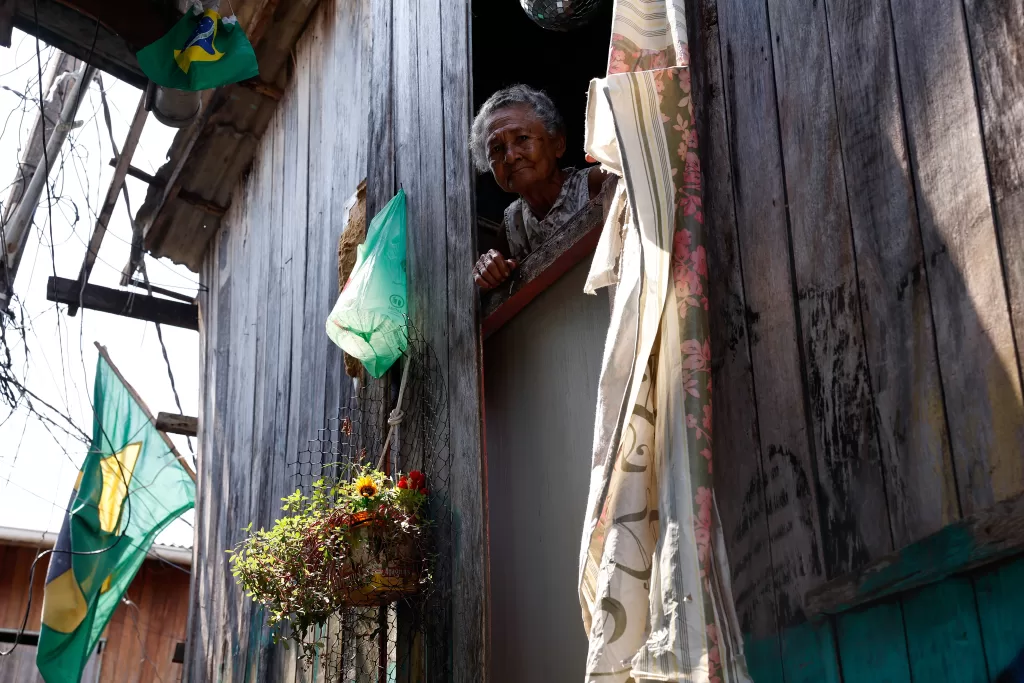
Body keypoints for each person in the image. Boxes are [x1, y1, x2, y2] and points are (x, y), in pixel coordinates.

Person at [470, 85, 608, 290]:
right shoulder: (512, 226)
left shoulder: (598, 183)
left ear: (557, 144)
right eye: (497, 149)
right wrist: (488, 270)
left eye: (522, 138)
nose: (510, 156)